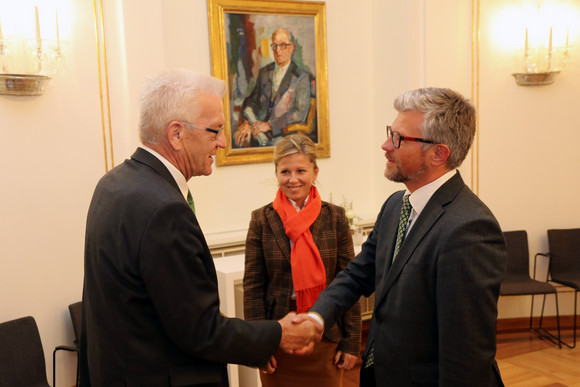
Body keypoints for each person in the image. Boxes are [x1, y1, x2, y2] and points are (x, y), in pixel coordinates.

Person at [80, 69, 322, 387]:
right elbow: (200, 331)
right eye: (215, 131)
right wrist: (278, 332)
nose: (222, 142)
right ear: (176, 134)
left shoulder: (114, 182)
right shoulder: (164, 210)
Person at [299, 88, 507, 386]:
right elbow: (359, 274)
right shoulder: (397, 204)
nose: (385, 145)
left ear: (439, 153)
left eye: (398, 138)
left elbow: (466, 355)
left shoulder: (470, 228)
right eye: (389, 132)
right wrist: (317, 318)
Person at [243, 134, 361, 387]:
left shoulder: (336, 218)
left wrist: (351, 343)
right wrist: (257, 346)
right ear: (276, 173)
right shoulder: (261, 220)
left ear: (315, 172)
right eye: (285, 171)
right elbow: (253, 287)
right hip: (277, 339)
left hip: (326, 335)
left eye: (301, 170)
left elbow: (349, 282)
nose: (293, 179)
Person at [234, 28, 312, 147]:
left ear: (292, 48)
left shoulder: (301, 76)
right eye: (274, 46)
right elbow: (251, 100)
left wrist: (270, 125)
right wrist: (247, 122)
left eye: (283, 45)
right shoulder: (265, 71)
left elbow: (299, 113)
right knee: (238, 142)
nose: (278, 50)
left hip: (283, 134)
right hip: (258, 132)